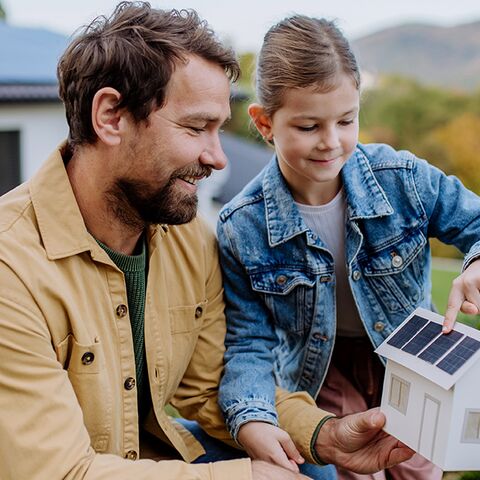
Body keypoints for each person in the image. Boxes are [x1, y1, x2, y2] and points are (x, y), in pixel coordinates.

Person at [0, 3, 415, 480]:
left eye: (219, 130)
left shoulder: (187, 238)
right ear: (111, 116)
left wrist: (322, 433)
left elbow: (214, 381)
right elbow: (55, 472)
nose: (218, 158)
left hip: (147, 455)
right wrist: (244, 478)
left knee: (308, 464)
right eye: (196, 128)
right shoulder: (12, 268)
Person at [217, 14, 480, 480]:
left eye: (346, 120)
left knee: (419, 469)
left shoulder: (404, 180)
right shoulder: (243, 225)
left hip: (410, 359)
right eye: (308, 126)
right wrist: (251, 414)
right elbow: (248, 340)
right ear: (264, 123)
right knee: (360, 466)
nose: (331, 141)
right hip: (322, 371)